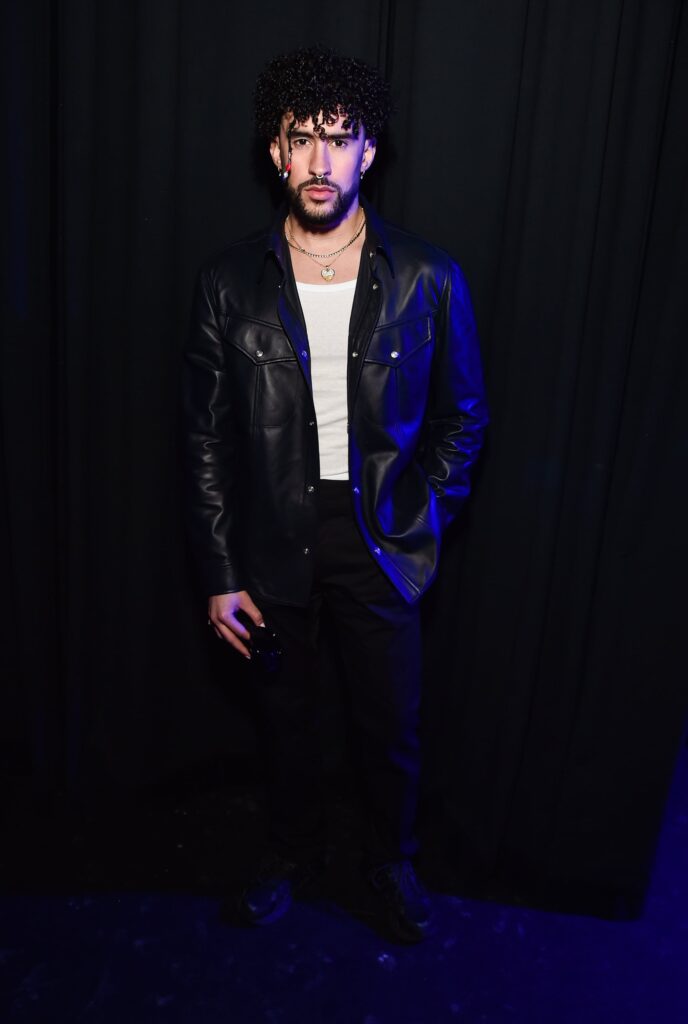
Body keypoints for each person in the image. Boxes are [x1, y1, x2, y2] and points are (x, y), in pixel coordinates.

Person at [182, 46, 487, 943]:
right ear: (276, 153)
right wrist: (219, 568)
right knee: (287, 720)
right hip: (273, 536)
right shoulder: (227, 281)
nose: (320, 162)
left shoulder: (428, 276)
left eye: (339, 140)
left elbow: (465, 417)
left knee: (391, 727)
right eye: (301, 139)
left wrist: (419, 516)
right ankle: (289, 852)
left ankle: (390, 864)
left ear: (368, 154)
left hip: (378, 534)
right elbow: (200, 439)